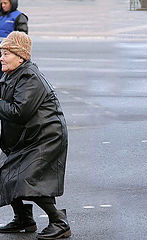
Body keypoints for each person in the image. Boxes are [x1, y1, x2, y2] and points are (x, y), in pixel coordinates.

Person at [0, 31, 71, 239]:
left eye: (6, 53)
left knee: (27, 179)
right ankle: (23, 219)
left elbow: (19, 112)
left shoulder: (29, 76)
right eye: (1, 53)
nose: (1, 57)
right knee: (5, 174)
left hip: (47, 136)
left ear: (20, 56)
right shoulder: (10, 73)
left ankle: (59, 221)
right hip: (28, 136)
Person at [0, 0, 28, 78]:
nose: (3, 5)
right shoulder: (1, 16)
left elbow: (22, 38)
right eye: (1, 3)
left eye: (5, 3)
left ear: (12, 3)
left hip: (9, 54)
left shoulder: (19, 17)